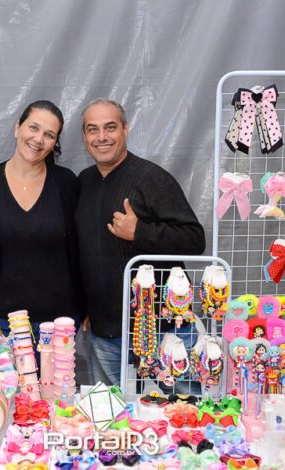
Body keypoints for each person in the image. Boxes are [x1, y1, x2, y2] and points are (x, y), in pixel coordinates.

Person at [76, 98, 205, 386]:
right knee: (113, 410)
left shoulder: (151, 178)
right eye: (93, 129)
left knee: (185, 408)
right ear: (84, 136)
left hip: (163, 332)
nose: (102, 137)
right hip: (104, 334)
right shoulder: (83, 182)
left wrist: (140, 232)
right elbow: (84, 251)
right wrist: (86, 305)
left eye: (110, 127)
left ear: (125, 129)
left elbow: (195, 239)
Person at [0, 100, 82, 352]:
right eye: (33, 128)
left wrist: (80, 312)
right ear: (17, 128)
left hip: (55, 329)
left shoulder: (67, 184)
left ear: (55, 143)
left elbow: (80, 252)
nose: (38, 139)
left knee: (54, 382)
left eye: (49, 135)